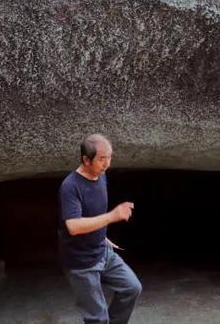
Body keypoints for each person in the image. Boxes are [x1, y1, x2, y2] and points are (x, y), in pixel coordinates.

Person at [58, 133, 142, 324]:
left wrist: (101, 235)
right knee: (97, 318)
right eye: (102, 159)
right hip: (81, 263)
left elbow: (91, 213)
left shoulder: (101, 177)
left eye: (110, 157)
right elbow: (73, 226)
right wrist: (112, 216)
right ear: (86, 160)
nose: (107, 164)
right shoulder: (70, 186)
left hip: (102, 251)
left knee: (131, 288)